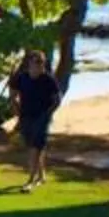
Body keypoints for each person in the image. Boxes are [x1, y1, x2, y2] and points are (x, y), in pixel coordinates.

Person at [9, 49, 64, 188]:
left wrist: (48, 113)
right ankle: (41, 175)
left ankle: (31, 180)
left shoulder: (48, 79)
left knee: (36, 147)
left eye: (41, 63)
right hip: (26, 115)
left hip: (42, 116)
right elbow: (13, 93)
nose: (39, 65)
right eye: (36, 62)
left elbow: (57, 99)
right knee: (33, 146)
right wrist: (16, 109)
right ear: (30, 63)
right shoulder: (22, 78)